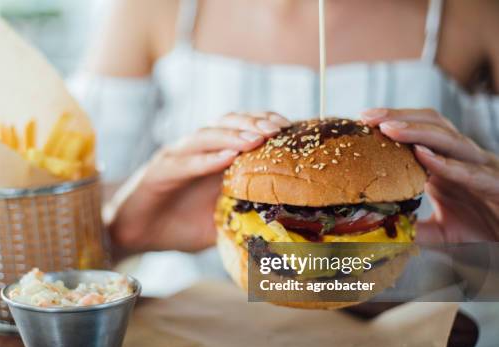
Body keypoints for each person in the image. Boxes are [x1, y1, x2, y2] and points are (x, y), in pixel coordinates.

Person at [81, 0, 499, 275]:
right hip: (197, 325)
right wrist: (121, 230)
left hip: (436, 333)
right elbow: (76, 200)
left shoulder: (476, 14)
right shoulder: (150, 9)